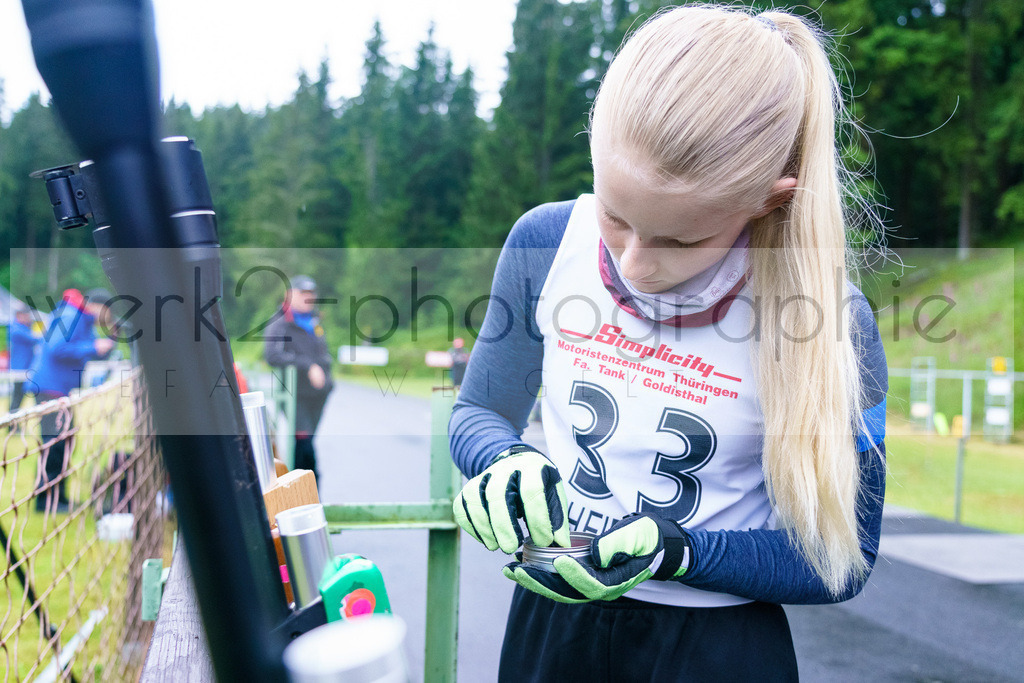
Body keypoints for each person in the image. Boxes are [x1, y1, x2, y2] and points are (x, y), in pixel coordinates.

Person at [449, 7, 889, 681]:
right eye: (613, 215)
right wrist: (501, 458)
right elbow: (479, 411)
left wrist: (682, 551)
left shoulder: (833, 321)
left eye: (680, 240)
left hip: (717, 652)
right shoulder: (544, 242)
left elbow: (841, 558)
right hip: (552, 629)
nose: (631, 265)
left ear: (771, 199)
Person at [31, 287, 116, 512]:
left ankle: (59, 498)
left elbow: (95, 351)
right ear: (98, 307)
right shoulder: (71, 316)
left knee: (65, 442)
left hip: (61, 390)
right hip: (51, 389)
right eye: (108, 312)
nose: (108, 317)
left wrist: (109, 339)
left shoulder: (84, 321)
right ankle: (45, 501)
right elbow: (55, 348)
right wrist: (92, 346)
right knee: (54, 444)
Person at [264, 275, 333, 481]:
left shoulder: (314, 321)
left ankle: (301, 498)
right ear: (289, 295)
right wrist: (308, 366)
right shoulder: (280, 322)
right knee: (304, 443)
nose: (308, 297)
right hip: (295, 395)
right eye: (303, 293)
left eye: (311, 294)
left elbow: (322, 354)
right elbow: (272, 355)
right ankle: (310, 495)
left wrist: (326, 375)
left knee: (307, 442)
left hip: (319, 394)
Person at [7, 305, 40, 412]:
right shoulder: (16, 329)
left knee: (36, 396)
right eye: (26, 315)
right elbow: (33, 339)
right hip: (20, 369)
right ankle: (12, 425)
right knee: (17, 398)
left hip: (28, 368)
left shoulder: (23, 327)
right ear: (19, 316)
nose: (29, 318)